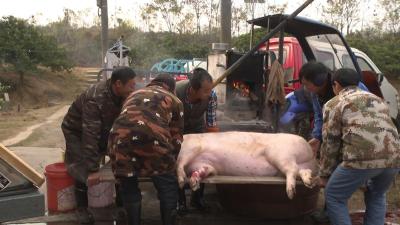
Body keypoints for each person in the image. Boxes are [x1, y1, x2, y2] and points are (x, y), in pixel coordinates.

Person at [318, 68, 400, 225]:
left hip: (361, 158)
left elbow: (331, 141)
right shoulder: (378, 100)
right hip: (394, 158)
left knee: (334, 195)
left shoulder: (334, 103)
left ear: (335, 84)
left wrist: (324, 173)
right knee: (377, 194)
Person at [61, 66, 136, 224]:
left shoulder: (125, 94)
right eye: (130, 86)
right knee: (81, 165)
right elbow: (90, 135)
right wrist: (93, 169)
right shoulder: (95, 98)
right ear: (118, 84)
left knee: (121, 159)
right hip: (77, 130)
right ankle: (82, 209)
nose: (133, 89)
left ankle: (121, 204)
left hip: (104, 127)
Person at [108, 74, 184, 225]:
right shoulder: (175, 100)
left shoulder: (132, 95)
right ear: (171, 88)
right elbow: (176, 138)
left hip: (119, 141)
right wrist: (169, 163)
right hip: (155, 140)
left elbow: (126, 121)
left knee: (128, 185)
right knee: (168, 187)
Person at [298, 61, 368, 154]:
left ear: (318, 80)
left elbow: (367, 112)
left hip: (359, 134)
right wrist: (317, 137)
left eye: (306, 84)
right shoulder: (315, 94)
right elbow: (319, 116)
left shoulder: (350, 85)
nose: (305, 88)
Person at [175, 68, 219, 214]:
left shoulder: (211, 95)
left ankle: (197, 198)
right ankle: (180, 200)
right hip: (177, 129)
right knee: (178, 161)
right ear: (193, 89)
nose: (209, 93)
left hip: (197, 129)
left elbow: (211, 123)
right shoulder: (176, 92)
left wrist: (216, 144)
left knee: (204, 158)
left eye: (210, 89)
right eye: (205, 91)